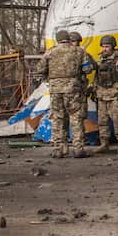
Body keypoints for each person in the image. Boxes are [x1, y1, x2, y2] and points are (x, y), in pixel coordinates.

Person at [35, 30, 87, 159]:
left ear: (58, 39)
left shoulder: (50, 52)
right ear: (68, 39)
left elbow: (40, 69)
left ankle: (59, 149)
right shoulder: (79, 51)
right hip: (73, 88)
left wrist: (50, 78)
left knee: (58, 118)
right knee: (75, 117)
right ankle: (78, 149)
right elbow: (87, 68)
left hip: (55, 89)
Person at [93, 35, 118, 154]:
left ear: (113, 46)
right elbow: (96, 77)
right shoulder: (100, 59)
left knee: (117, 119)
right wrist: (94, 89)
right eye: (103, 46)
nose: (104, 49)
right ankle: (104, 143)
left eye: (107, 46)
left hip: (115, 94)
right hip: (102, 95)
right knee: (102, 121)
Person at [68, 31, 96, 152]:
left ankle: (74, 142)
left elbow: (93, 66)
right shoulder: (80, 53)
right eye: (74, 41)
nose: (77, 44)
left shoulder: (82, 53)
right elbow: (90, 68)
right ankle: (77, 145)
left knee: (78, 117)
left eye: (78, 42)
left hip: (76, 90)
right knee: (75, 117)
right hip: (75, 90)